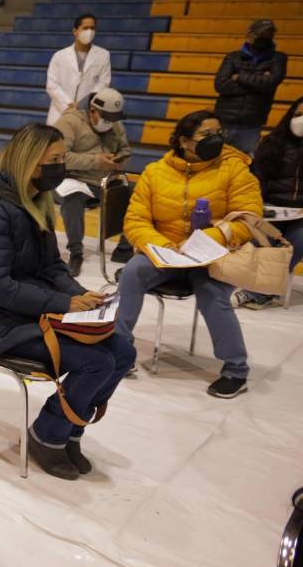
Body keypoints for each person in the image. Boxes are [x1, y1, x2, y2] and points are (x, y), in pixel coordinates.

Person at [0, 123, 135, 480]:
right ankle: (47, 435)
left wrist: (77, 294)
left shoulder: (33, 198)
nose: (61, 167)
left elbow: (51, 265)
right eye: (55, 160)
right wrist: (63, 304)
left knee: (124, 351)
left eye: (63, 158)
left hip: (25, 312)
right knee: (96, 361)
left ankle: (70, 428)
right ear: (31, 161)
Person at [118, 110, 261, 398]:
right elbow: (136, 221)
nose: (217, 139)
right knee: (132, 272)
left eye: (219, 133)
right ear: (185, 141)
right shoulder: (155, 172)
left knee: (213, 294)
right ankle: (119, 350)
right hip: (166, 252)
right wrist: (165, 247)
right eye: (207, 135)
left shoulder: (234, 168)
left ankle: (236, 369)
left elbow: (248, 218)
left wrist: (207, 238)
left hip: (213, 255)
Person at [53, 88, 135, 275]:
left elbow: (125, 150)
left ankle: (124, 248)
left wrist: (120, 159)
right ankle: (76, 252)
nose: (110, 123)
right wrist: (97, 160)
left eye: (113, 119)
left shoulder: (116, 125)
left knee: (136, 193)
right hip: (74, 178)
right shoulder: (69, 122)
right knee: (72, 199)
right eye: (106, 118)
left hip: (105, 180)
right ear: (92, 111)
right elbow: (61, 157)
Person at [234, 98, 303, 309]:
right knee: (260, 241)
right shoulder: (272, 143)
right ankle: (249, 286)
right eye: (298, 114)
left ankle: (260, 293)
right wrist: (257, 205)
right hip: (269, 208)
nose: (301, 120)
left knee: (295, 243)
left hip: (300, 215)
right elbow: (254, 179)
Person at [214, 19, 289, 155]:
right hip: (224, 120)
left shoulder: (279, 58)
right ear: (249, 34)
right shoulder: (233, 57)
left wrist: (239, 77)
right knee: (213, 159)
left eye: (269, 34)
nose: (265, 38)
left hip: (252, 123)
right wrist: (259, 84)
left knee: (243, 163)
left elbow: (270, 83)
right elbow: (220, 85)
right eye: (261, 34)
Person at [45, 13, 111, 125]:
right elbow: (51, 85)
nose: (89, 31)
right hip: (60, 111)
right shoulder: (59, 55)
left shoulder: (103, 55)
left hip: (86, 112)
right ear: (75, 31)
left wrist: (82, 105)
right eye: (85, 28)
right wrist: (69, 105)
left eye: (92, 28)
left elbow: (103, 84)